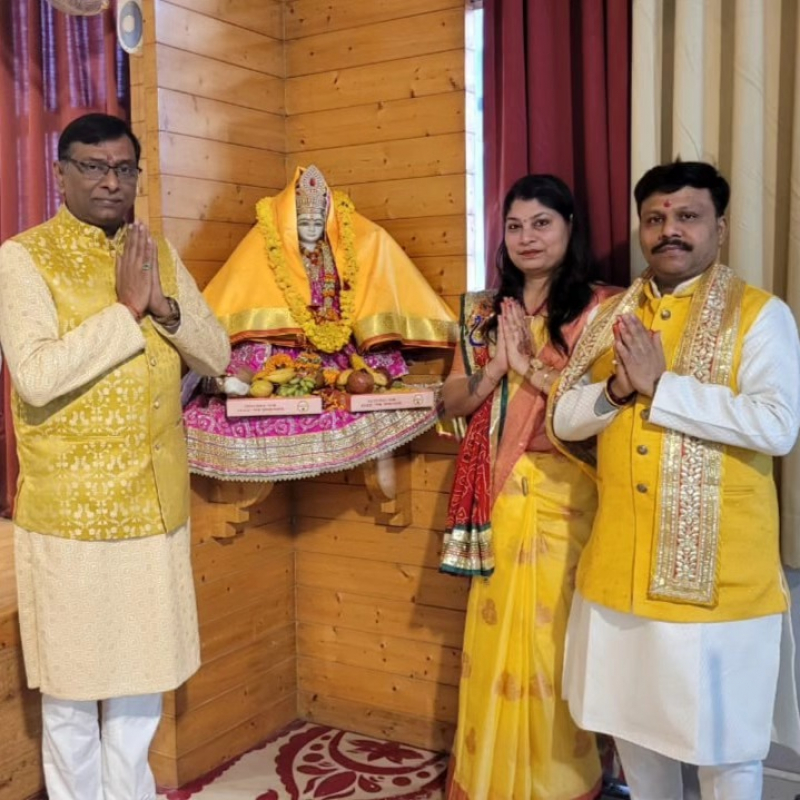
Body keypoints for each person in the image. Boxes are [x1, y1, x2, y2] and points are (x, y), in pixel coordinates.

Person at [551, 160, 800, 800]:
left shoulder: (761, 315)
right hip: (618, 576)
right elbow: (565, 418)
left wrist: (661, 387)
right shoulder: (612, 317)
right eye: (655, 218)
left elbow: (778, 426)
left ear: (720, 227)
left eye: (688, 216)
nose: (670, 230)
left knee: (727, 754)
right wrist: (616, 390)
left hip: (720, 586)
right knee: (637, 746)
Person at [0, 113, 230, 800]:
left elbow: (217, 355)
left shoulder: (153, 251)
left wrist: (164, 307)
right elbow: (36, 375)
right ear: (60, 173)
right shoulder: (22, 258)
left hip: (153, 506)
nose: (110, 181)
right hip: (71, 515)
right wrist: (125, 313)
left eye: (124, 168)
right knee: (72, 694)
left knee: (138, 691)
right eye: (94, 167)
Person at [441, 175, 619, 800]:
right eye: (515, 226)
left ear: (570, 226)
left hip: (571, 499)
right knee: (495, 643)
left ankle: (560, 784)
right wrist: (496, 366)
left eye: (542, 223)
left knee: (553, 647)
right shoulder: (484, 313)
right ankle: (491, 781)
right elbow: (451, 401)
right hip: (500, 495)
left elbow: (608, 405)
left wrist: (533, 368)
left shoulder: (602, 310)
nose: (527, 237)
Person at [183, 164, 457, 481]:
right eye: (304, 222)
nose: (311, 229)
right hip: (288, 346)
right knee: (251, 367)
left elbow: (367, 272)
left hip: (337, 349)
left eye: (317, 222)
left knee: (364, 377)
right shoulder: (271, 248)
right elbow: (240, 289)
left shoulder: (339, 251)